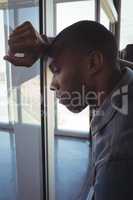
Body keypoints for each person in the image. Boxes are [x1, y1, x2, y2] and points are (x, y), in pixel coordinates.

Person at [4, 20, 133, 200]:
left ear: (94, 62)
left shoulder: (116, 157)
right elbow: (109, 58)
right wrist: (47, 46)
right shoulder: (126, 80)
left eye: (56, 70)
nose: (52, 84)